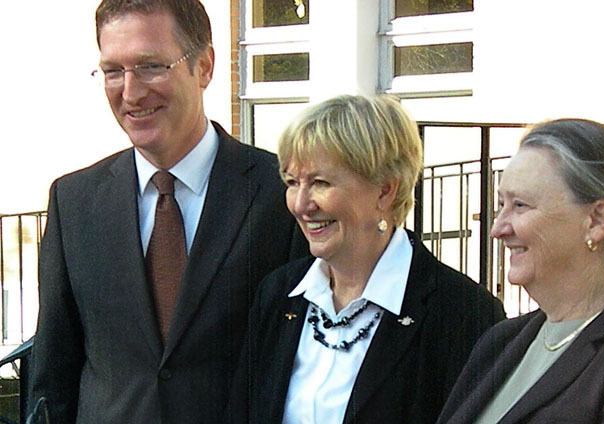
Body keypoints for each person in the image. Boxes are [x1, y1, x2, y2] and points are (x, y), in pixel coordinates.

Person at [28, 1, 305, 423]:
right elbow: (53, 373)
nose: (131, 92)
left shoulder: (279, 193)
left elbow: (301, 360)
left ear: (205, 67)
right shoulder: (75, 202)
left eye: (150, 66)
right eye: (113, 71)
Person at [232, 94, 505, 424]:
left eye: (320, 182)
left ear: (385, 191)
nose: (301, 205)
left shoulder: (463, 314)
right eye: (292, 182)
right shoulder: (278, 296)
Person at [437, 118, 604, 424]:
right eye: (501, 204)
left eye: (520, 205)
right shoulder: (501, 341)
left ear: (597, 219)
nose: (498, 228)